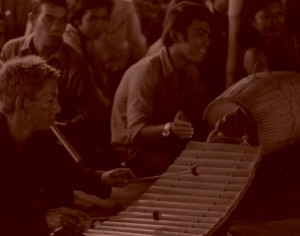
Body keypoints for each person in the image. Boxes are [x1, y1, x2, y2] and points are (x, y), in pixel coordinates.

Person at [0, 55, 135, 236]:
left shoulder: (39, 136)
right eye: (50, 100)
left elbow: (63, 171)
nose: (58, 108)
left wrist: (101, 178)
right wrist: (42, 220)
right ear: (22, 104)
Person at [1, 0, 112, 169]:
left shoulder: (76, 62)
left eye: (63, 20)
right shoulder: (11, 50)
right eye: (49, 19)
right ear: (32, 18)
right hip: (14, 134)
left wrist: (53, 125)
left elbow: (90, 113)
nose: (56, 27)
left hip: (54, 138)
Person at [111, 2, 214, 178]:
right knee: (194, 169)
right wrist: (170, 129)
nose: (207, 42)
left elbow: (197, 116)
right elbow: (136, 133)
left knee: (215, 158)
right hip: (135, 154)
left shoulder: (191, 72)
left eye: (208, 35)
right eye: (200, 34)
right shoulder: (146, 72)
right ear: (175, 35)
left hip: (167, 146)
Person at [65, 0, 147, 101]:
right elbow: (86, 82)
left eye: (104, 18)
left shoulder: (90, 39)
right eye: (92, 19)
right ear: (77, 19)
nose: (100, 26)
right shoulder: (69, 40)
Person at [241, 0, 300, 75]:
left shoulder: (291, 43)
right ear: (252, 21)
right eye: (267, 16)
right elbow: (266, 85)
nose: (275, 20)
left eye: (279, 14)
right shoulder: (254, 54)